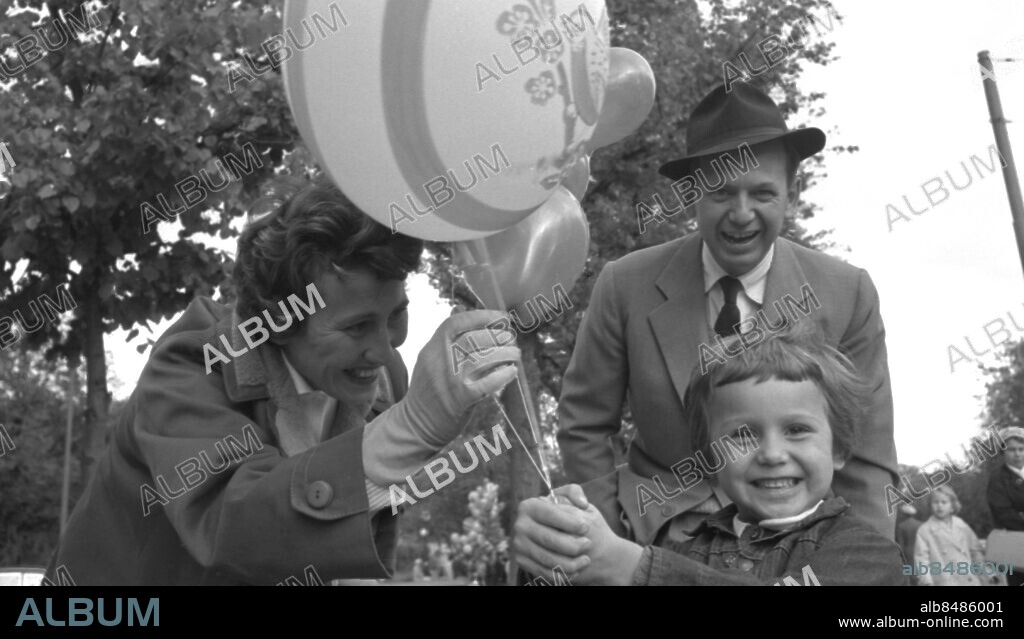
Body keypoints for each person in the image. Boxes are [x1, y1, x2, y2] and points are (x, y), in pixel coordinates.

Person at [46, 177, 520, 585]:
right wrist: (410, 430)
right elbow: (234, 528)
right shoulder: (191, 365)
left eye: (397, 314)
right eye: (356, 327)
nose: (385, 348)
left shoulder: (386, 376)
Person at [556, 82, 897, 547]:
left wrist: (862, 566)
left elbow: (867, 455)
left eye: (762, 193)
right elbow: (584, 424)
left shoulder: (847, 293)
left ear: (792, 195)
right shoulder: (624, 284)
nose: (741, 214)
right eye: (720, 193)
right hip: (654, 539)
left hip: (799, 550)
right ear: (693, 195)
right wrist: (611, 543)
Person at [514, 328, 906, 585]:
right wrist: (560, 550)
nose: (772, 454)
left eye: (797, 430)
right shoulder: (683, 550)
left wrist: (634, 568)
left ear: (838, 448)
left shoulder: (867, 555)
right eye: (743, 435)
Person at [914, 486, 987, 586]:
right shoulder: (925, 530)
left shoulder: (961, 524)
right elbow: (922, 560)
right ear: (930, 505)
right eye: (935, 502)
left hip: (969, 579)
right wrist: (926, 582)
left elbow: (975, 550)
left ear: (952, 506)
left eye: (944, 502)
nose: (939, 506)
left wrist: (985, 574)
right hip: (944, 580)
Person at [985, 426, 1024, 586]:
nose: (1017, 454)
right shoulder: (998, 479)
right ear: (1003, 452)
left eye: (1021, 449)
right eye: (1012, 450)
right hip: (1016, 542)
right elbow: (1003, 512)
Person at [895, 503, 923, 584]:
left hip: (908, 552)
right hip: (919, 550)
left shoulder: (902, 526)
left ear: (904, 514)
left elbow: (901, 544)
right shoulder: (920, 524)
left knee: (909, 573)